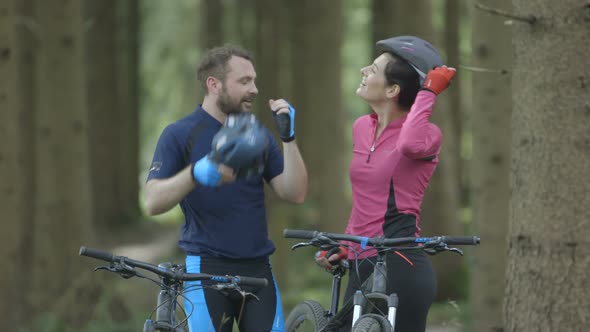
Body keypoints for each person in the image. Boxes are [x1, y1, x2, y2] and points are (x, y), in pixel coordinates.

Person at [144, 44, 307, 332]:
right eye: (244, 81)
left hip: (259, 270)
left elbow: (294, 193)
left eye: (254, 80)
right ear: (214, 84)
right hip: (205, 271)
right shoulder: (180, 134)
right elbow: (153, 201)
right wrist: (195, 173)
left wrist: (289, 138)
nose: (254, 89)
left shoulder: (257, 135)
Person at [314, 36, 456, 332]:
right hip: (360, 262)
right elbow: (364, 198)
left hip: (401, 265)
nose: (364, 70)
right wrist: (345, 243)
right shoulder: (362, 127)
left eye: (374, 70)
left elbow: (408, 144)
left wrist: (429, 92)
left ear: (392, 89)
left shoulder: (428, 135)